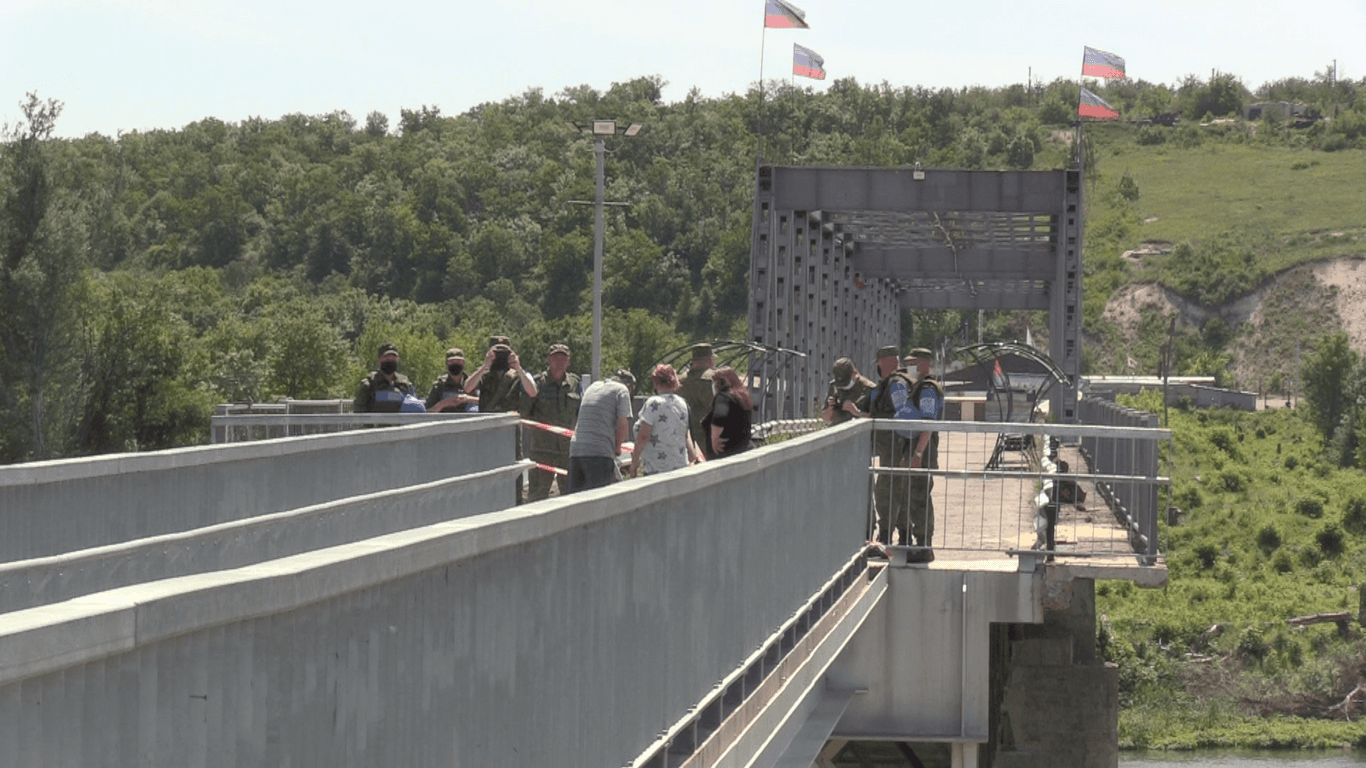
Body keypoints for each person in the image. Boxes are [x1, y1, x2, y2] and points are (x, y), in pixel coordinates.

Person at [519, 343, 581, 501]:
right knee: (537, 498)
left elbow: (580, 413)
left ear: (568, 361)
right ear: (549, 360)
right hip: (543, 451)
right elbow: (524, 414)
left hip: (567, 451)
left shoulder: (574, 384)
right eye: (555, 358)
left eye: (563, 359)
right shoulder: (538, 383)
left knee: (571, 497)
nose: (559, 362)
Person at [567, 369, 636, 494]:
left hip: (576, 450)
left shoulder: (593, 387)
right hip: (599, 452)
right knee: (599, 500)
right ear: (629, 386)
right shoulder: (622, 390)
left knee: (575, 500)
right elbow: (623, 423)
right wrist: (617, 448)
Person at [630, 364, 704, 478]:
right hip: (680, 466)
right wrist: (693, 456)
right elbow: (685, 433)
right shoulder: (682, 403)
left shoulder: (653, 403)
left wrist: (634, 462)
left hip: (658, 469)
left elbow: (644, 436)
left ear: (655, 383)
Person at [463, 335, 537, 412]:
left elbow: (533, 393)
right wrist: (485, 366)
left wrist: (518, 368)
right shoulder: (483, 373)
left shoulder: (518, 374)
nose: (500, 356)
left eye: (504, 353)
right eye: (497, 352)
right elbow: (467, 388)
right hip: (486, 420)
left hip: (508, 420)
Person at [705, 366, 753, 459]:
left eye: (715, 382)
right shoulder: (743, 397)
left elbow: (719, 417)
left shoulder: (723, 397)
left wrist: (714, 439)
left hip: (726, 453)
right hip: (743, 450)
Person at [353, 342, 417, 412]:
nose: (390, 359)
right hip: (376, 422)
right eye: (387, 357)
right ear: (378, 359)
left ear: (398, 360)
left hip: (402, 423)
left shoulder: (405, 384)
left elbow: (414, 409)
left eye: (394, 357)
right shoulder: (368, 385)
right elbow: (359, 414)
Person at [678, 343, 715, 458]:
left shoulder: (681, 379)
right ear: (709, 359)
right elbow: (715, 408)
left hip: (685, 434)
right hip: (706, 435)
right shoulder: (711, 378)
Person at [821, 357, 875, 426]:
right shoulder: (835, 387)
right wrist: (830, 408)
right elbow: (826, 418)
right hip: (837, 430)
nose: (843, 387)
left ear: (855, 373)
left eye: (845, 383)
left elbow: (876, 420)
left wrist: (857, 412)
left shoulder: (869, 389)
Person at [425, 348, 477, 413]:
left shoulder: (473, 382)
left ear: (463, 363)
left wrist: (467, 399)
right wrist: (443, 404)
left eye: (458, 361)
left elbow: (486, 402)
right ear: (447, 363)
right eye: (451, 361)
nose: (455, 363)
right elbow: (428, 412)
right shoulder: (439, 386)